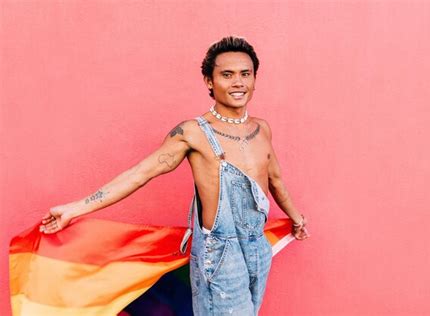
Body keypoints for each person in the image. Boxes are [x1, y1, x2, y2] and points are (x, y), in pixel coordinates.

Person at [39, 36, 309, 315]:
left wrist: (297, 218)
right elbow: (139, 174)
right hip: (220, 255)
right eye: (227, 75)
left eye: (245, 74)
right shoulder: (193, 133)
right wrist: (74, 209)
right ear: (209, 81)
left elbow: (274, 180)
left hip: (258, 248)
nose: (238, 82)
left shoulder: (261, 129)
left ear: (254, 78)